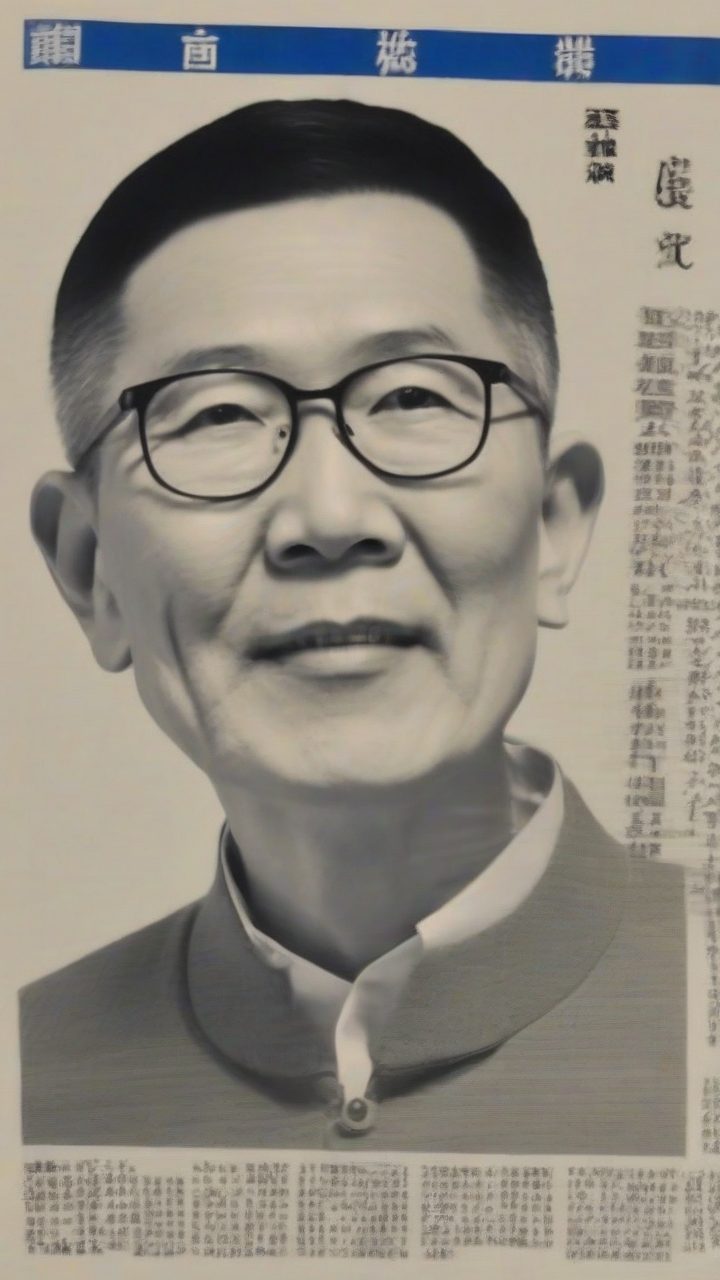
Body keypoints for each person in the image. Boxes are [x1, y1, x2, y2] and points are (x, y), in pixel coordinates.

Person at [21, 99, 686, 1154]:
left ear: (553, 528)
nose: (329, 518)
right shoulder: (25, 1077)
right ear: (90, 569)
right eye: (218, 414)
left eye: (413, 398)